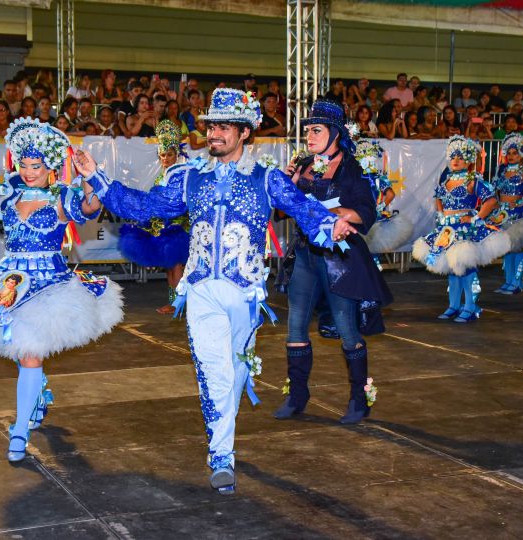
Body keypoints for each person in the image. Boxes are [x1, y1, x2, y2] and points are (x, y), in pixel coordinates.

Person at [73, 89, 356, 494]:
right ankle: (221, 455)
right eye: (210, 126)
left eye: (223, 127)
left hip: (245, 293)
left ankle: (225, 429)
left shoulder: (266, 178)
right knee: (214, 371)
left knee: (237, 371)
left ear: (245, 133)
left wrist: (331, 226)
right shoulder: (190, 177)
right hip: (201, 287)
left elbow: (301, 207)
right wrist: (96, 179)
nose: (213, 133)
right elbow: (147, 207)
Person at [0, 117, 123, 462]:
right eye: (24, 164)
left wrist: (90, 178)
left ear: (50, 166)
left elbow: (92, 206)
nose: (29, 171)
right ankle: (38, 395)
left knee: (30, 352)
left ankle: (19, 430)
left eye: (36, 165)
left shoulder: (62, 196)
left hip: (48, 283)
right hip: (10, 282)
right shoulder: (8, 194)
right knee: (22, 351)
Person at [274, 99, 392, 425]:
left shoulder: (354, 169)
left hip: (340, 261)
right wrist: (286, 187)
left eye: (316, 130)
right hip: (306, 257)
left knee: (346, 329)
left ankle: (359, 399)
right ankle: (297, 395)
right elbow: (281, 211)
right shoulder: (304, 166)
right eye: (308, 131)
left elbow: (367, 213)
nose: (309, 137)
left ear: (335, 133)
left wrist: (337, 215)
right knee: (295, 325)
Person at [413, 136, 510, 322]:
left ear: (468, 159)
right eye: (453, 157)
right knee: (452, 269)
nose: (456, 160)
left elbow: (491, 201)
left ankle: (471, 307)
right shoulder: (447, 179)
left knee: (465, 268)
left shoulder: (474, 180)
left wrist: (476, 218)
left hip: (466, 230)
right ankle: (453, 306)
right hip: (447, 230)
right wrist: (441, 214)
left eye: (460, 157)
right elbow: (438, 198)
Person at [117, 120, 190, 314]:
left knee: (175, 265)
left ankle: (179, 304)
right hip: (162, 225)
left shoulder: (182, 174)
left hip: (177, 225)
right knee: (169, 265)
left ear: (177, 154)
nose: (165, 158)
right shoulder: (161, 176)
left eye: (169, 155)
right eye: (162, 155)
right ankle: (175, 302)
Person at [486, 133, 523, 294]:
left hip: (518, 213)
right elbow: (493, 189)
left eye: (515, 153)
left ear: (521, 154)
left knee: (517, 248)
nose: (511, 156)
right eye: (509, 153)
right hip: (502, 213)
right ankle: (508, 282)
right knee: (507, 247)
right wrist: (495, 202)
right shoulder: (501, 170)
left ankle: (517, 282)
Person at [355, 139, 414, 255]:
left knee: (362, 252)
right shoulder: (376, 177)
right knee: (368, 253)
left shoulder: (361, 178)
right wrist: (379, 208)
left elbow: (390, 195)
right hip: (366, 217)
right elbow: (390, 194)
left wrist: (378, 208)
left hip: (362, 218)